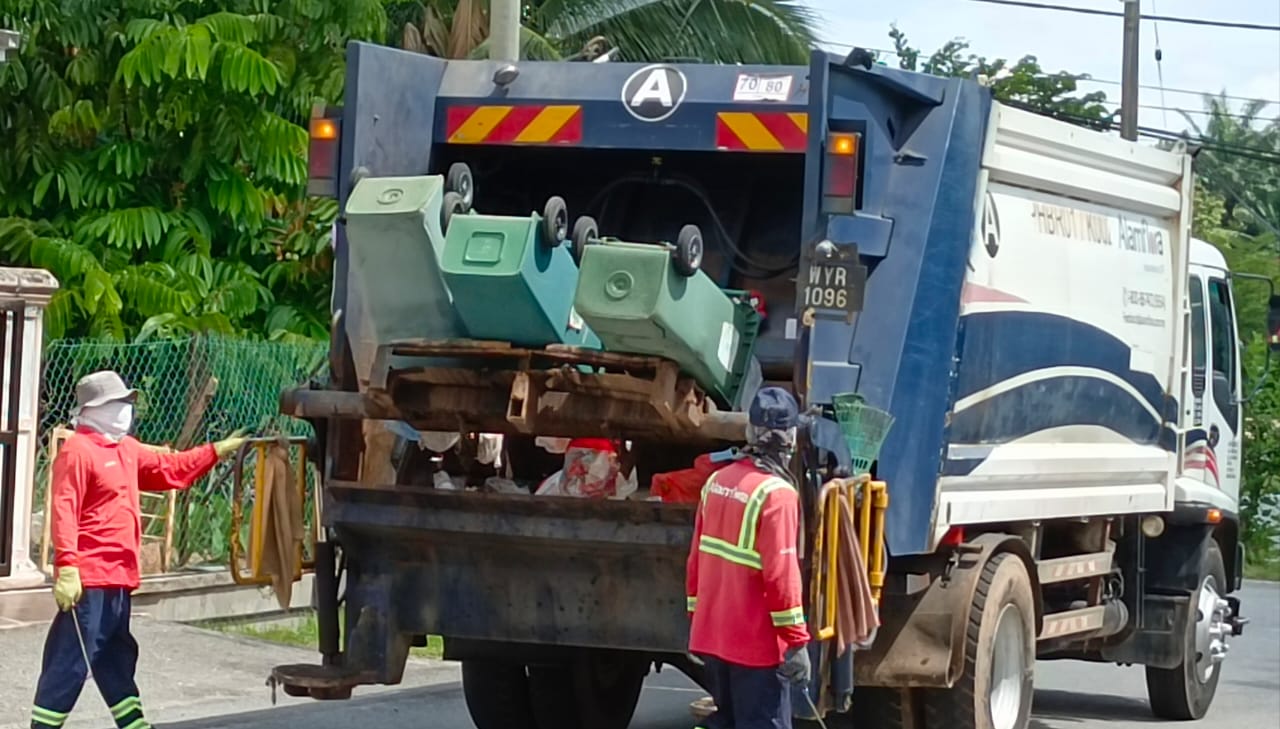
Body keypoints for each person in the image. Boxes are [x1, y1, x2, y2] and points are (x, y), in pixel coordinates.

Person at [30, 371, 248, 729]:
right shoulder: (78, 451)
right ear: (91, 410)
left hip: (120, 576)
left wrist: (214, 452)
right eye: (117, 403)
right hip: (91, 578)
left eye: (126, 402)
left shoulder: (126, 449)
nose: (125, 409)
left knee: (116, 656)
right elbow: (64, 510)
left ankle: (133, 724)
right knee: (71, 660)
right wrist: (67, 567)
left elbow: (170, 469)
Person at [686, 386, 811, 729]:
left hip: (715, 637)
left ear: (750, 431)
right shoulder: (777, 495)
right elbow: (782, 577)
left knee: (725, 721)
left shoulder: (716, 482)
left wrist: (696, 619)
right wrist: (796, 641)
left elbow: (696, 560)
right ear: (790, 438)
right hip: (756, 647)